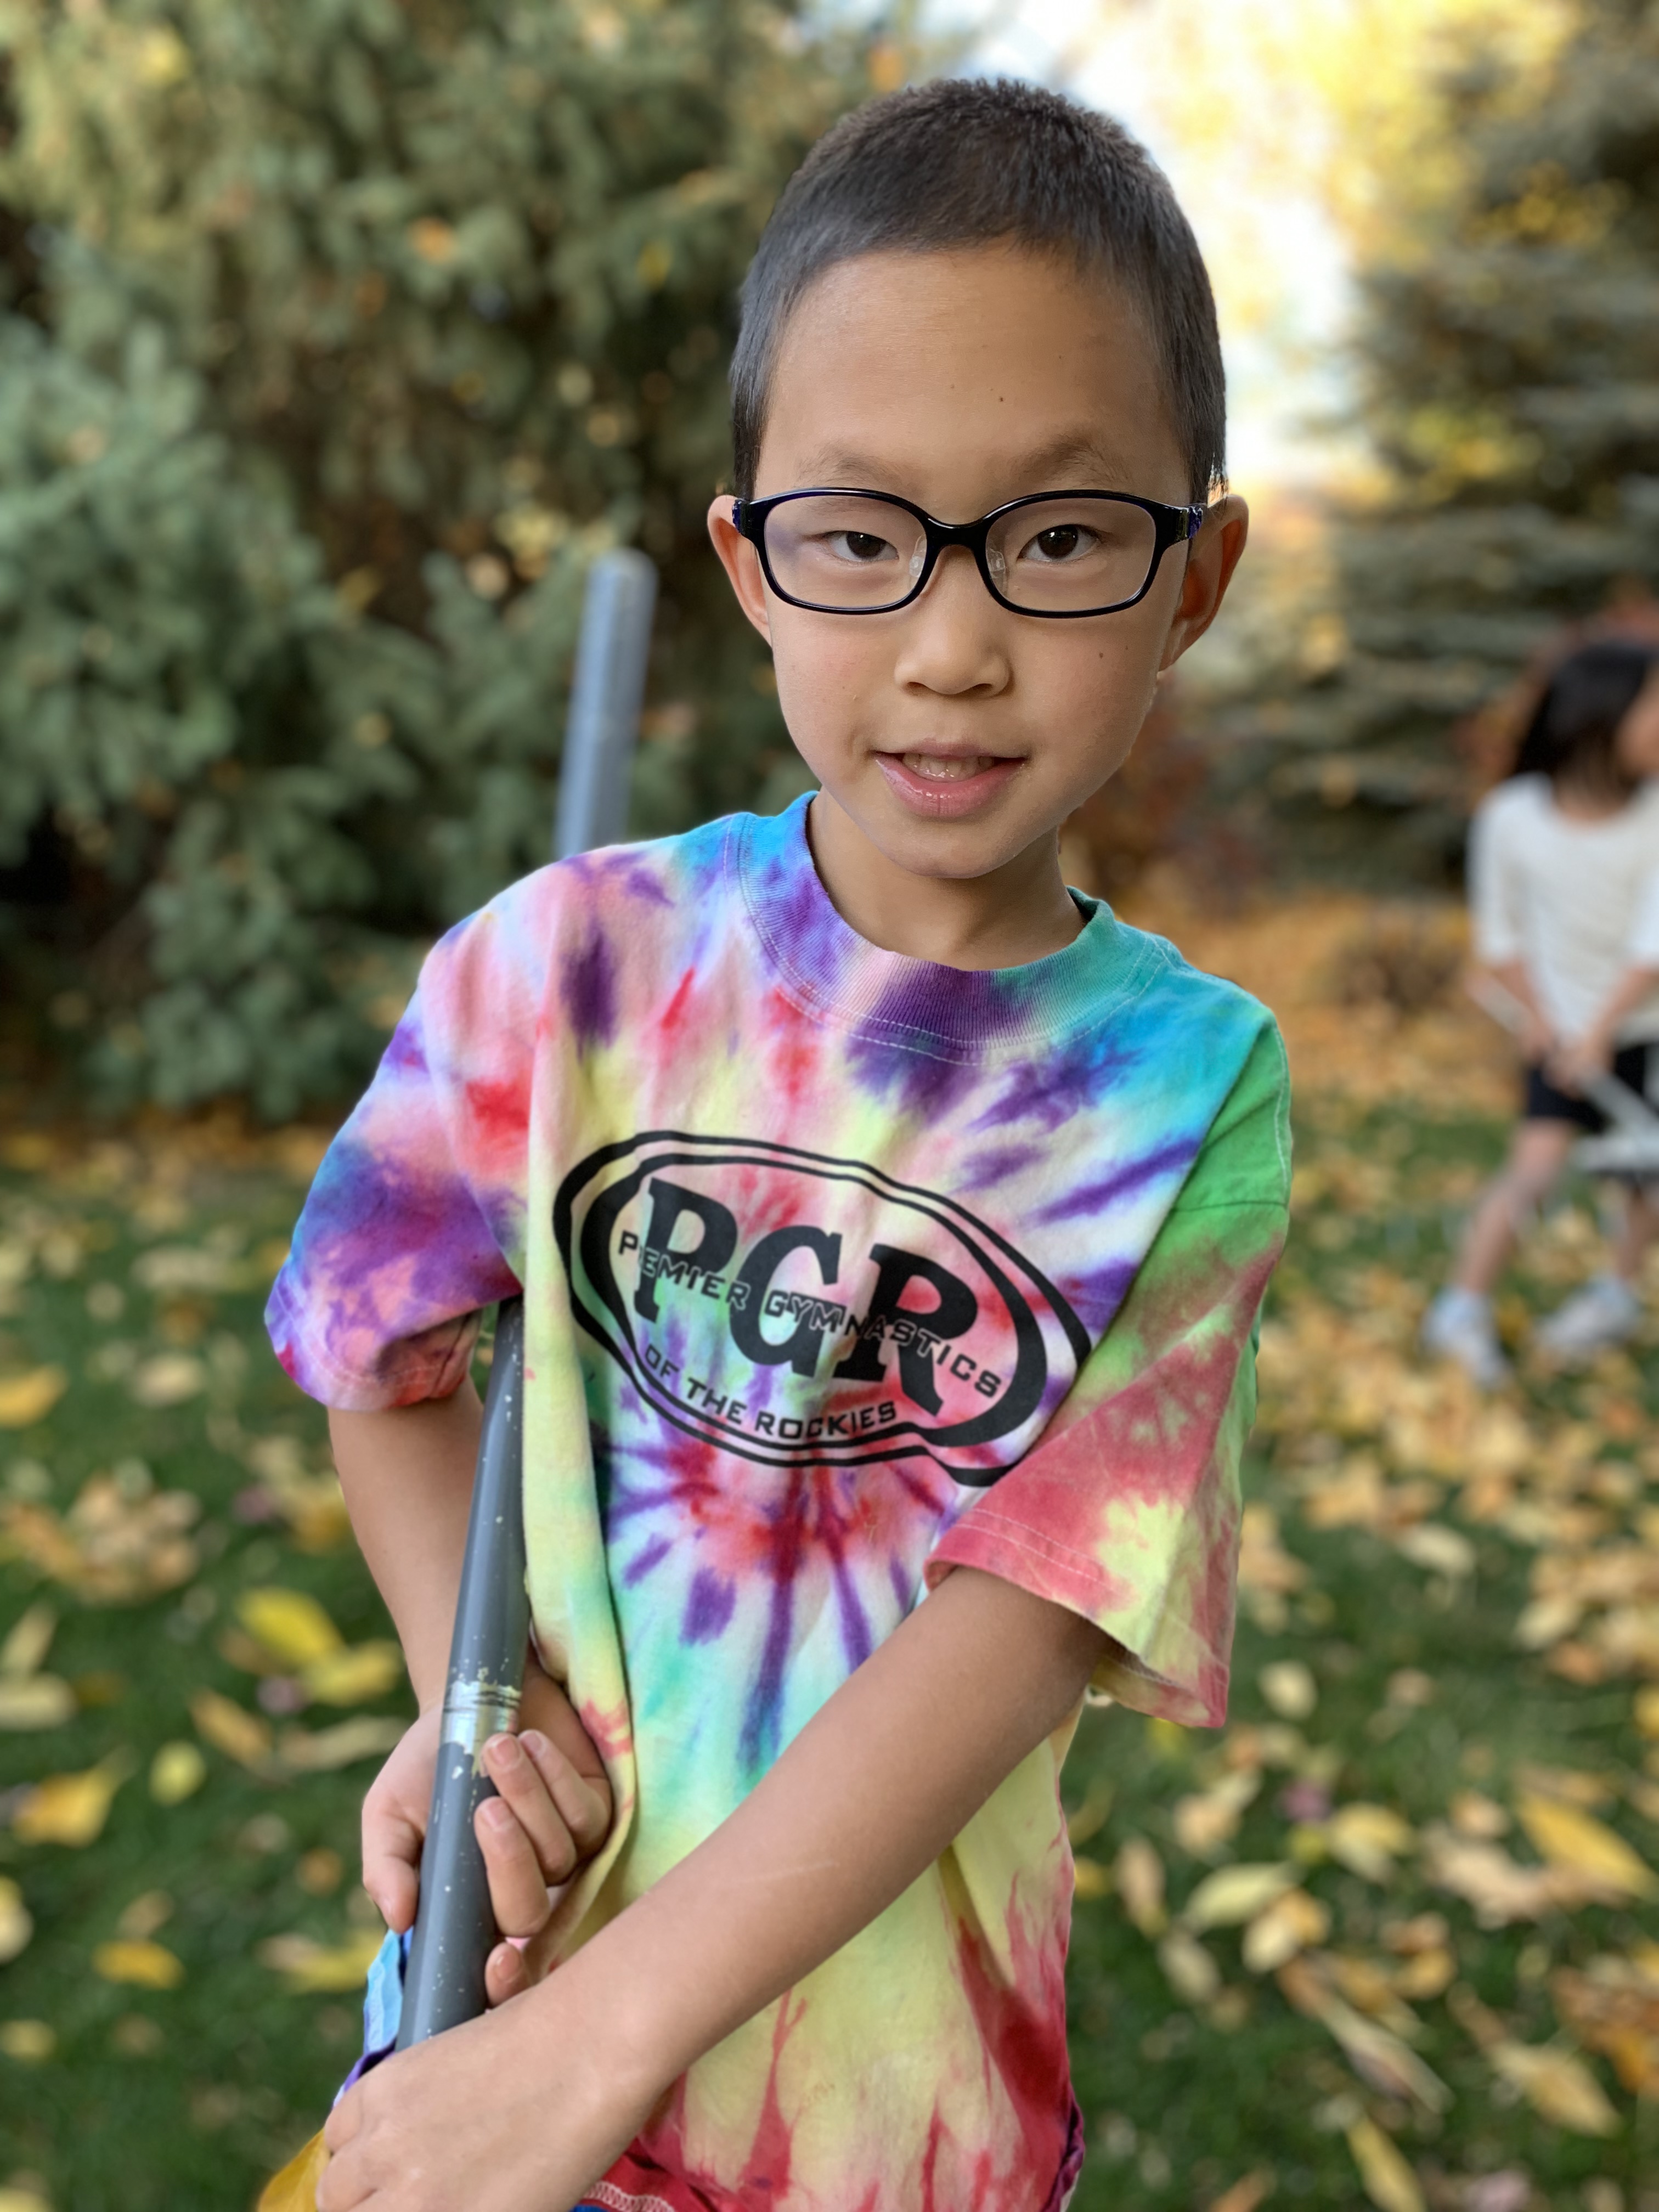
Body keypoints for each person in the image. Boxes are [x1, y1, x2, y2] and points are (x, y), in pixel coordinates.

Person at [264, 78, 1290, 2212]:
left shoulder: (1192, 1093)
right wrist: (479, 1705)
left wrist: (605, 2042)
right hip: (487, 2029)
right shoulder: (567, 963)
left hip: (897, 2121)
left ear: (1192, 577)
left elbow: (1035, 1617)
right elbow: (380, 1350)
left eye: (1060, 537)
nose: (953, 645)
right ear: (750, 560)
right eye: (859, 533)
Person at [1422, 638, 1659, 1388]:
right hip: (1558, 1037)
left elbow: (1651, 945)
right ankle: (1460, 1309)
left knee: (1642, 1177)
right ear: (1602, 715)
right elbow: (1501, 942)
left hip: (1642, 1031)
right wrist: (1543, 1022)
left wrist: (1599, 1035)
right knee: (1534, 1170)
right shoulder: (1512, 816)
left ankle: (1615, 1295)